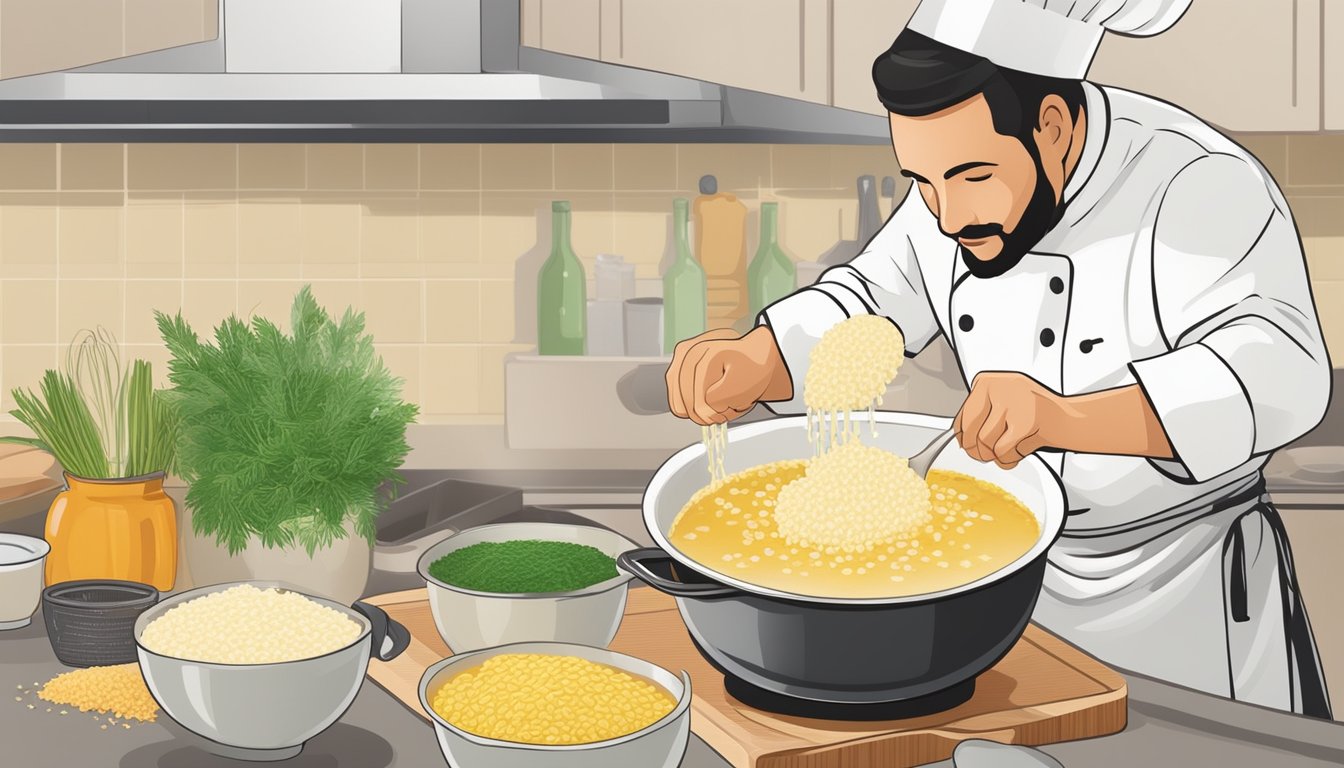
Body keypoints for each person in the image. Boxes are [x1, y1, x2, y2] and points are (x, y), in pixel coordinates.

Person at [665, 0, 1333, 718]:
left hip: (1187, 596)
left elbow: (1282, 376)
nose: (948, 216)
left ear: (1052, 125)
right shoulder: (952, 174)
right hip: (1019, 593)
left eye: (972, 178)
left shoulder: (1197, 184)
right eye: (923, 184)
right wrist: (763, 356)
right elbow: (876, 292)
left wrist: (1064, 417)